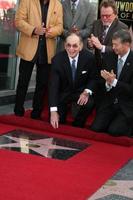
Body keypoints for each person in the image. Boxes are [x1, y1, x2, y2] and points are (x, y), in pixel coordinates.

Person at [14, 0, 63, 119]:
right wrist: (34, 29)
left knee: (42, 84)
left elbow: (60, 27)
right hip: (28, 48)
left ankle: (36, 112)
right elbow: (18, 21)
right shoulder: (27, 1)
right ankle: (18, 109)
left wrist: (51, 32)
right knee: (23, 81)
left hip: (47, 50)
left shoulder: (57, 4)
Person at [49, 33, 98, 129]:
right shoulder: (57, 60)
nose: (71, 49)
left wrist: (87, 91)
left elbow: (94, 78)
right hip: (63, 93)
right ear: (64, 45)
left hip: (80, 91)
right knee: (58, 122)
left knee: (89, 103)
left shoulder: (89, 58)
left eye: (75, 46)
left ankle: (78, 125)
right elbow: (53, 86)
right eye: (68, 45)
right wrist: (53, 111)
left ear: (81, 46)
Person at [91, 29, 133, 137]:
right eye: (112, 44)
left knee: (114, 131)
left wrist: (114, 82)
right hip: (109, 102)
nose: (113, 47)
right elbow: (100, 81)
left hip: (126, 104)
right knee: (96, 128)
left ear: (127, 44)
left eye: (116, 45)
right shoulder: (109, 57)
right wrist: (108, 84)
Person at [88, 0, 128, 69]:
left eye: (108, 16)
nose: (104, 18)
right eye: (102, 15)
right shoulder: (96, 24)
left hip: (113, 67)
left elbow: (121, 49)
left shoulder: (122, 28)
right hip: (97, 66)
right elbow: (91, 46)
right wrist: (91, 44)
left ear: (115, 14)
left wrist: (101, 47)